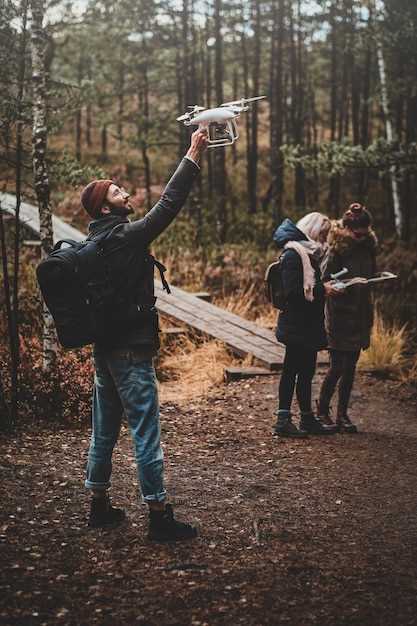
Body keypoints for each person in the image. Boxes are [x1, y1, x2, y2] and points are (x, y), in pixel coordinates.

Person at [80, 129, 207, 540]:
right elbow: (167, 207)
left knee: (103, 430)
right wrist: (192, 154)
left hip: (105, 349)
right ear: (103, 206)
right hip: (131, 351)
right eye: (117, 191)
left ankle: (99, 506)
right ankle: (158, 516)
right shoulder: (122, 236)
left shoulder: (95, 241)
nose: (125, 192)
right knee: (145, 431)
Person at [272, 212, 341, 438]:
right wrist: (323, 290)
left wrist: (323, 286)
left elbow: (307, 286)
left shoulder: (309, 253)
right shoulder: (294, 253)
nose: (324, 238)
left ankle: (307, 418)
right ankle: (282, 421)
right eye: (321, 233)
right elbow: (293, 292)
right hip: (296, 324)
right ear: (311, 230)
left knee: (307, 372)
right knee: (291, 370)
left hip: (308, 324)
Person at [317, 203, 377, 433]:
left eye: (365, 230)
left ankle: (342, 414)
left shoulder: (369, 247)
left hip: (361, 312)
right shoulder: (336, 249)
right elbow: (323, 280)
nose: (362, 235)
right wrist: (337, 286)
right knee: (337, 366)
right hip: (340, 314)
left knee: (351, 367)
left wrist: (376, 278)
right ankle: (322, 409)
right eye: (357, 231)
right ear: (348, 229)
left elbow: (371, 273)